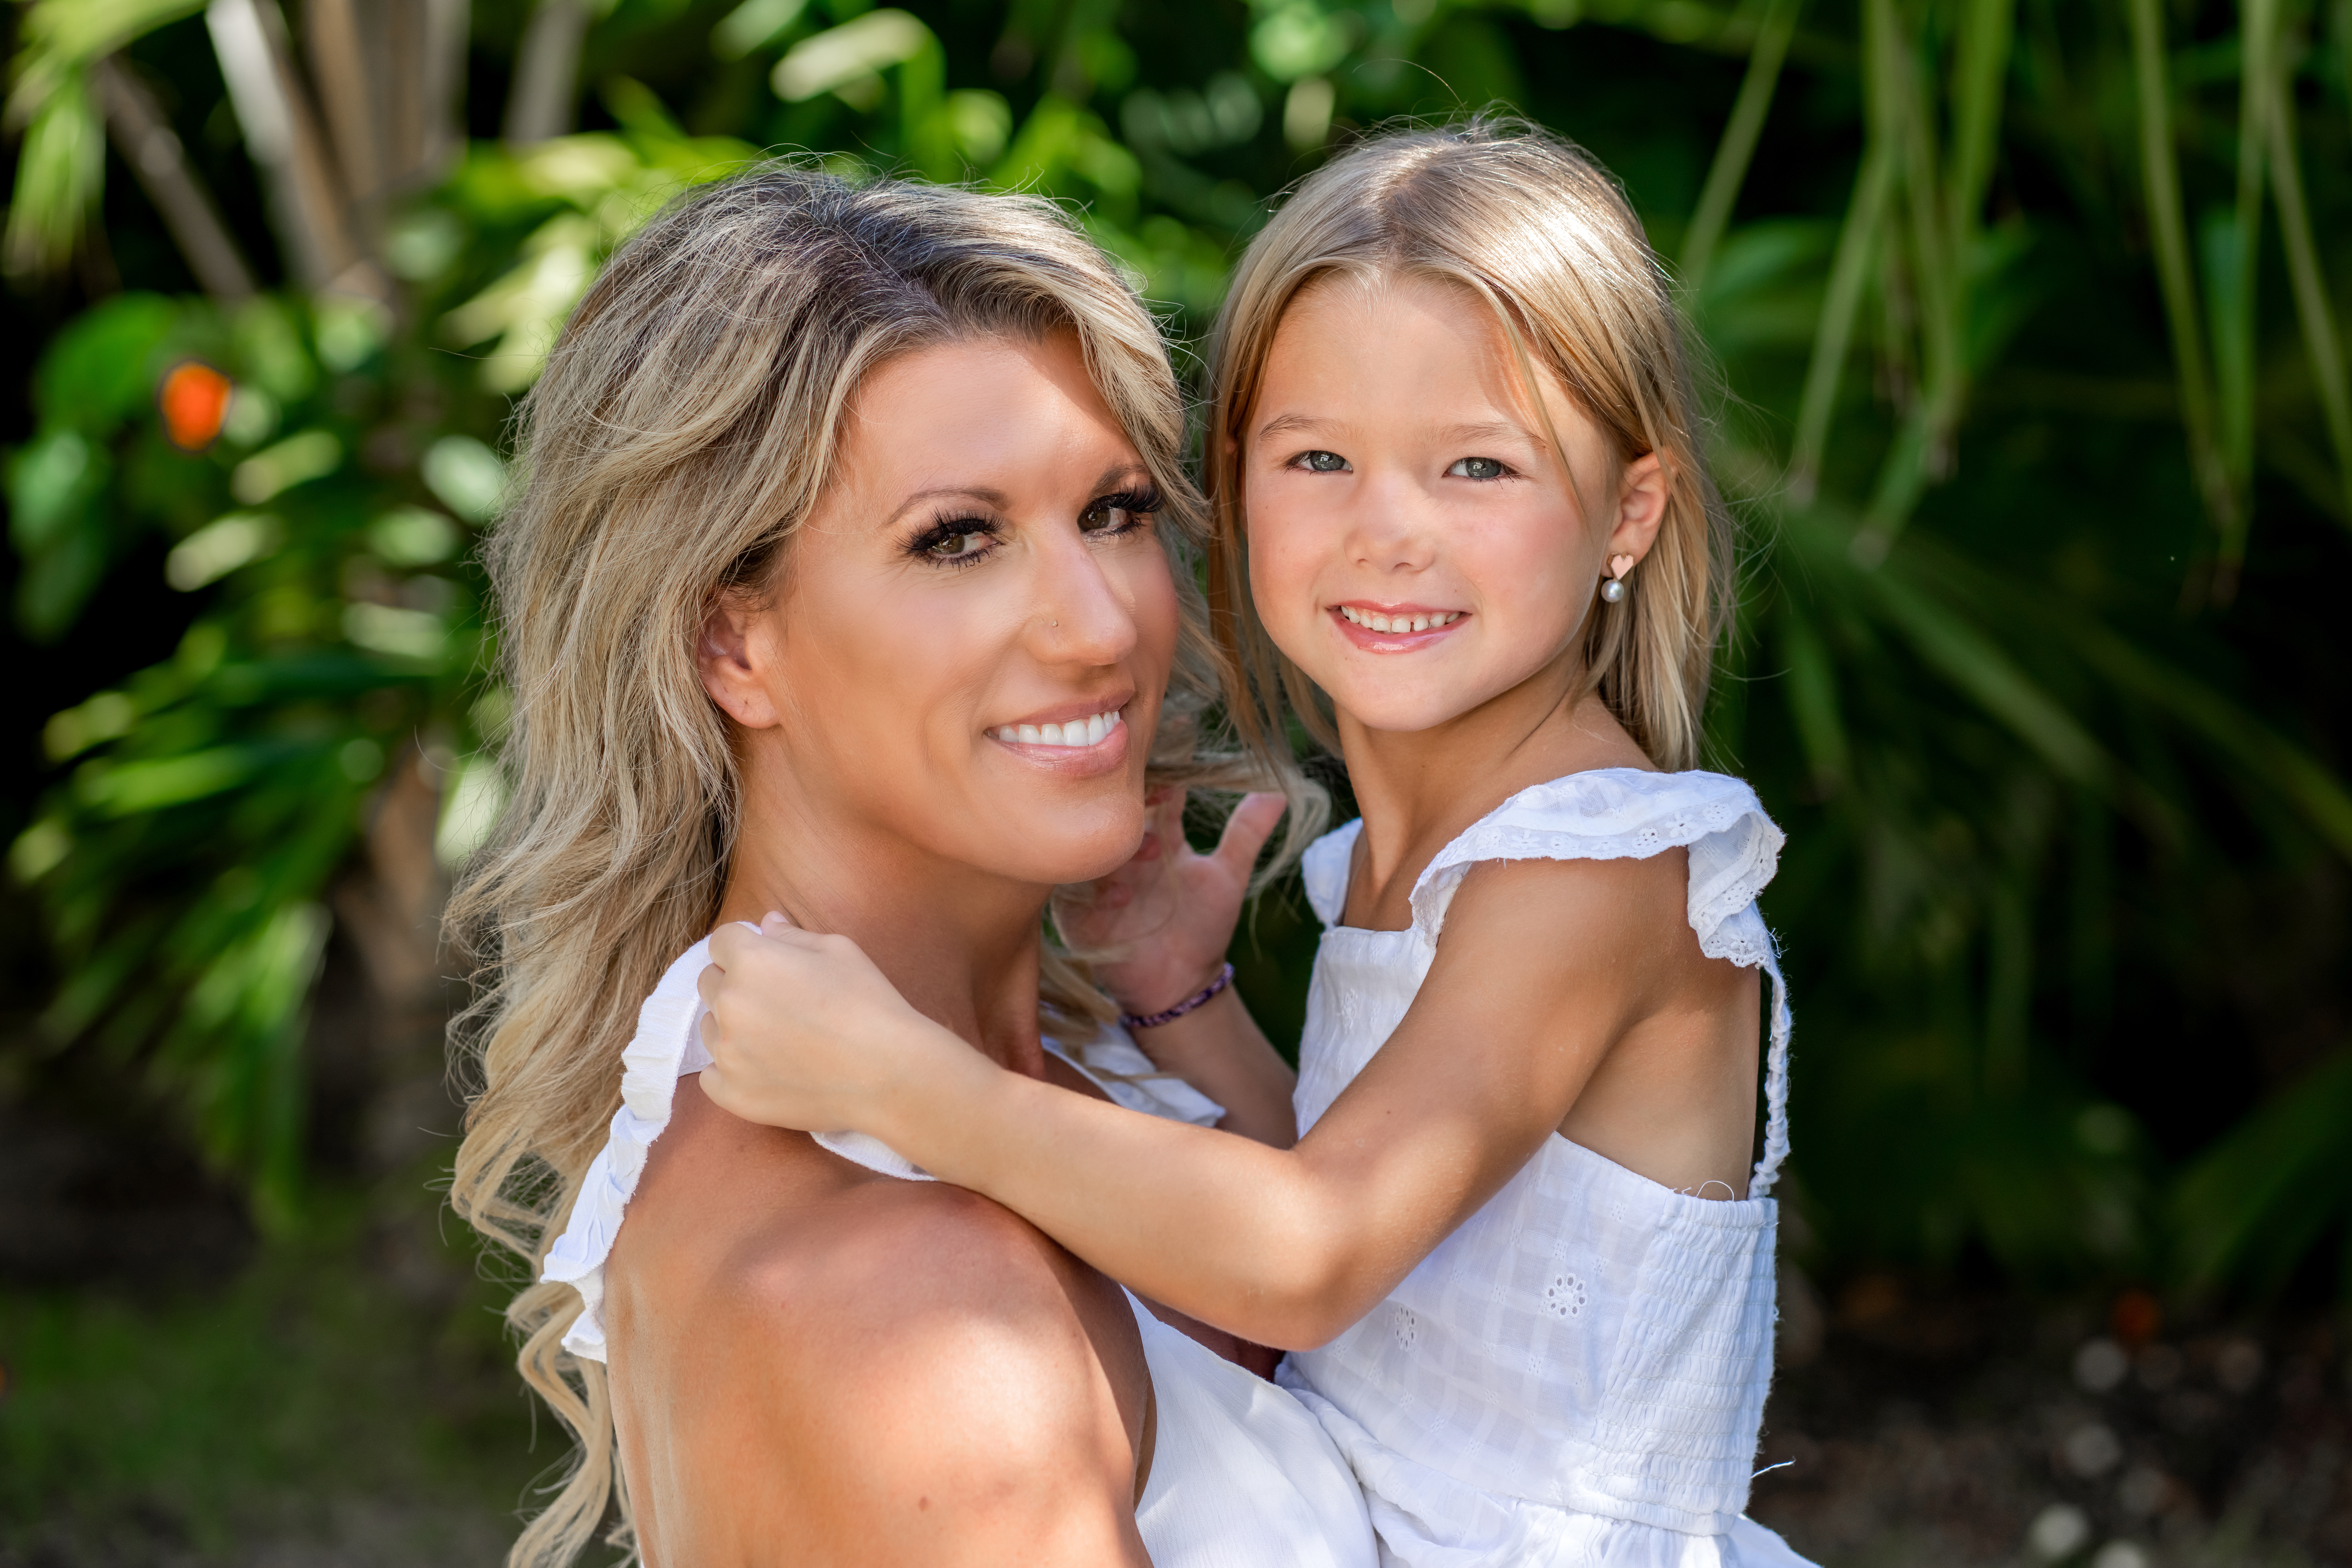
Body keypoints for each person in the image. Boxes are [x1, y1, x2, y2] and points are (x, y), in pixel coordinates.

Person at [698, 121, 1818, 1566]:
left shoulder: (1590, 872)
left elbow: (1315, 1256)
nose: (1387, 530)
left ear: (1630, 511)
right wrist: (1188, 999)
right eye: (1320, 459)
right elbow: (1415, 1252)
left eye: (1477, 467)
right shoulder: (1424, 852)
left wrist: (909, 1082)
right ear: (1233, 487)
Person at [445, 164, 1378, 1568]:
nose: (1095, 626)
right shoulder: (919, 1303)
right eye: (958, 539)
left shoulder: (1054, 1088)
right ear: (730, 646)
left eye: (1115, 511)